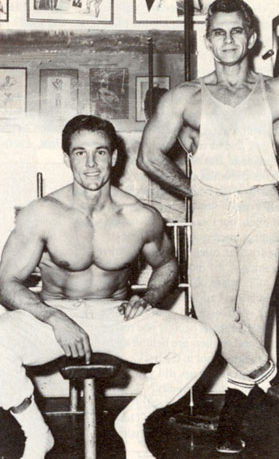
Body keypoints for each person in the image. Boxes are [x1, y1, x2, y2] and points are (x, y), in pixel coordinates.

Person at [137, 0, 279, 454]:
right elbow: (148, 155)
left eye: (236, 31)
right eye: (219, 32)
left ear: (251, 36)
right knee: (216, 317)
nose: (228, 40)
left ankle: (231, 420)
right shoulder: (188, 96)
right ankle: (277, 382)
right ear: (208, 39)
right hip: (213, 209)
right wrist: (194, 191)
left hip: (264, 208)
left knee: (253, 320)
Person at [0, 114, 218, 459]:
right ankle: (36, 432)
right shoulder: (41, 213)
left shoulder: (140, 216)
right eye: (80, 152)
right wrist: (54, 317)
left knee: (202, 340)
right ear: (66, 158)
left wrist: (149, 297)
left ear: (114, 157)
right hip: (54, 317)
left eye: (100, 152)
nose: (90, 163)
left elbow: (167, 265)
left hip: (117, 317)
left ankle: (133, 420)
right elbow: (5, 283)